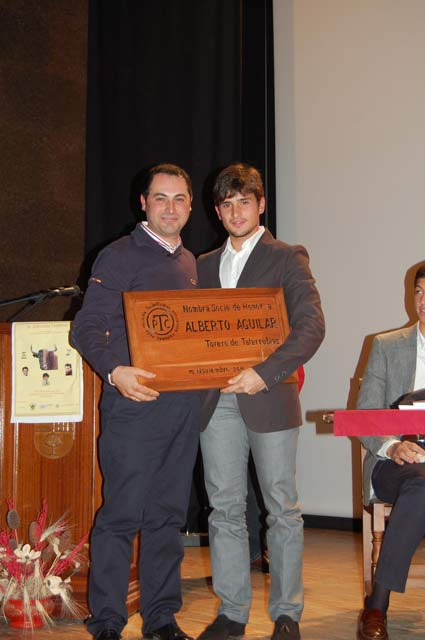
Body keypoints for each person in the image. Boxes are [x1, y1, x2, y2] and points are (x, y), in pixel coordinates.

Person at [71, 163, 201, 640]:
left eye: (179, 199)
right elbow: (86, 327)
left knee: (168, 516)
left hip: (180, 410)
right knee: (122, 514)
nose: (170, 207)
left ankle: (162, 617)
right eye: (161, 198)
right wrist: (114, 371)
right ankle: (106, 620)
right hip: (132, 406)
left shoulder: (190, 264)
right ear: (143, 203)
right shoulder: (119, 256)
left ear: (190, 206)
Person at [196, 163, 325, 640]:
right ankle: (232, 612)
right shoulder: (203, 265)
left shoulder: (288, 257)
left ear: (261, 204)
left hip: (269, 395)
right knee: (224, 508)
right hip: (216, 401)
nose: (235, 211)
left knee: (281, 508)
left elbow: (311, 327)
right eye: (226, 205)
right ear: (217, 210)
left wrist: (262, 374)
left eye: (244, 202)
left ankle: (287, 613)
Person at [356, 263, 425, 640]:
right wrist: (393, 445)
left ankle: (375, 603)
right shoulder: (386, 346)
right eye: (419, 291)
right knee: (420, 484)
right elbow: (366, 416)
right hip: (395, 459)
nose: (424, 301)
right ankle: (378, 606)